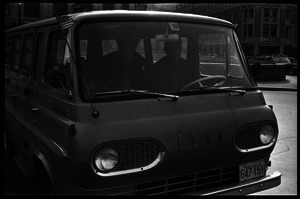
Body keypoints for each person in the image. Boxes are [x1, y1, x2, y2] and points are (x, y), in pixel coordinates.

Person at [102, 25, 149, 91]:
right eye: (120, 40)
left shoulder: (141, 63)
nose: (122, 45)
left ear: (134, 44)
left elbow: (146, 87)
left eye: (125, 41)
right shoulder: (108, 61)